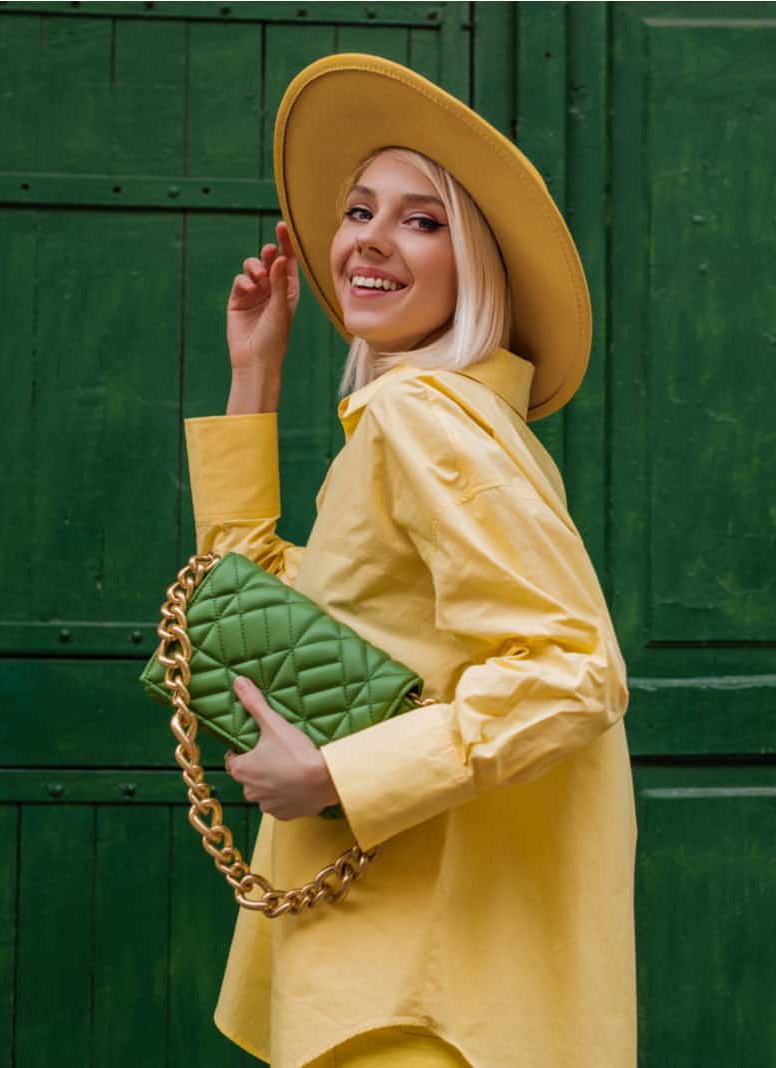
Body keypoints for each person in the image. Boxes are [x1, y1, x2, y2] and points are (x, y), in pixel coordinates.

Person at [180, 55, 635, 1067]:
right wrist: (254, 374)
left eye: (422, 220)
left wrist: (340, 771)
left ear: (475, 262)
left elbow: (575, 669)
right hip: (415, 976)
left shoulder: (420, 418)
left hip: (415, 989)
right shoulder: (432, 425)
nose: (370, 243)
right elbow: (258, 613)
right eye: (357, 211)